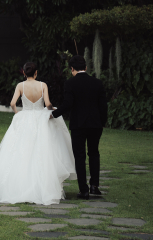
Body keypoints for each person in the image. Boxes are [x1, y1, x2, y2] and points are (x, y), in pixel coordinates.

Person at [0, 62, 76, 205]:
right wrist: (52, 109)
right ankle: (41, 187)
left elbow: (12, 103)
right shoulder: (43, 85)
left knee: (21, 151)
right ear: (36, 73)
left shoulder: (20, 86)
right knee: (41, 152)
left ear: (24, 73)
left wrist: (18, 114)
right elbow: (47, 103)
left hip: (25, 118)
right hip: (40, 119)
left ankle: (18, 186)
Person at [51, 55, 108, 199]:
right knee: (94, 153)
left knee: (80, 156)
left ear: (72, 69)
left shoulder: (70, 83)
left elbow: (68, 103)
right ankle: (94, 186)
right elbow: (103, 106)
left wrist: (54, 114)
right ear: (86, 68)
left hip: (78, 125)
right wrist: (102, 122)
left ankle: (84, 190)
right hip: (96, 125)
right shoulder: (97, 83)